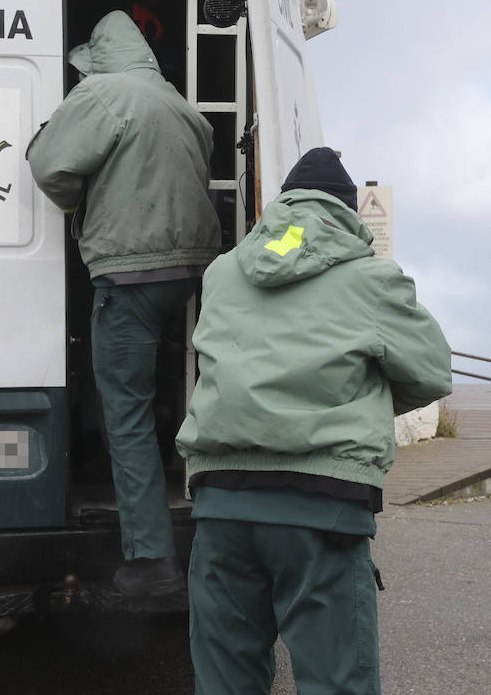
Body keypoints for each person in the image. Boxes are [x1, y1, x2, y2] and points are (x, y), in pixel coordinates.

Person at [175, 147, 452, 694]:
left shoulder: (223, 272)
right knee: (336, 678)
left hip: (222, 502)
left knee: (225, 680)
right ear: (348, 214)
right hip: (321, 506)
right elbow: (431, 371)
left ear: (283, 206)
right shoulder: (371, 277)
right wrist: (359, 402)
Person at [28, 9, 220, 598]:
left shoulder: (103, 93)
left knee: (126, 414)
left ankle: (151, 560)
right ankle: (213, 528)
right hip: (189, 273)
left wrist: (77, 205)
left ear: (99, 58)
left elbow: (48, 165)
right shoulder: (183, 106)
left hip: (129, 274)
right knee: (182, 391)